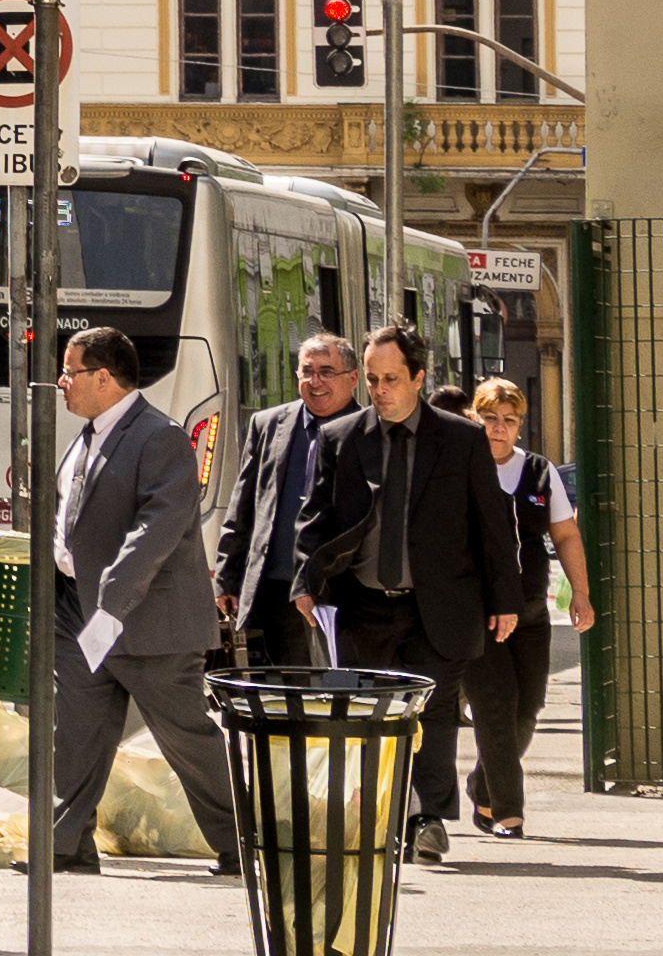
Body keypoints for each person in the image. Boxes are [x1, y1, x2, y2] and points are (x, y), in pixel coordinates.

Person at [299, 326, 524, 862]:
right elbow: (315, 518)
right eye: (373, 380)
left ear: (419, 378)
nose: (380, 390)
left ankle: (429, 820)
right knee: (369, 717)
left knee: (435, 716)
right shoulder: (342, 439)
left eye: (392, 380)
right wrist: (304, 581)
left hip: (440, 605)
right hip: (364, 605)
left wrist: (505, 599)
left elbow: (492, 523)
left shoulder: (462, 440)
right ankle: (379, 816)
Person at [42, 326, 248, 876]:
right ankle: (67, 844)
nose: (62, 382)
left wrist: (111, 599)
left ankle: (242, 844)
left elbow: (158, 525)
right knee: (78, 731)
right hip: (78, 612)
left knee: (186, 738)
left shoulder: (159, 436)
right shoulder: (86, 435)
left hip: (145, 620)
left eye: (71, 371)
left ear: (104, 378)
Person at [464, 376, 588, 841]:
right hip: (477, 614)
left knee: (527, 708)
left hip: (530, 610)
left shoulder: (538, 471)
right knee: (494, 709)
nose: (498, 428)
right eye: (490, 418)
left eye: (509, 421)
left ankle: (481, 783)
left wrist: (581, 593)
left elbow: (566, 535)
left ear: (520, 426)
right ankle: (508, 814)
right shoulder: (459, 468)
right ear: (475, 418)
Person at [213, 330, 351, 664]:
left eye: (327, 372)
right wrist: (227, 575)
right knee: (289, 687)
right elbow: (243, 503)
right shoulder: (268, 424)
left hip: (341, 591)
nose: (315, 381)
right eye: (307, 371)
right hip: (277, 589)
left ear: (353, 378)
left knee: (340, 682)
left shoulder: (367, 429)